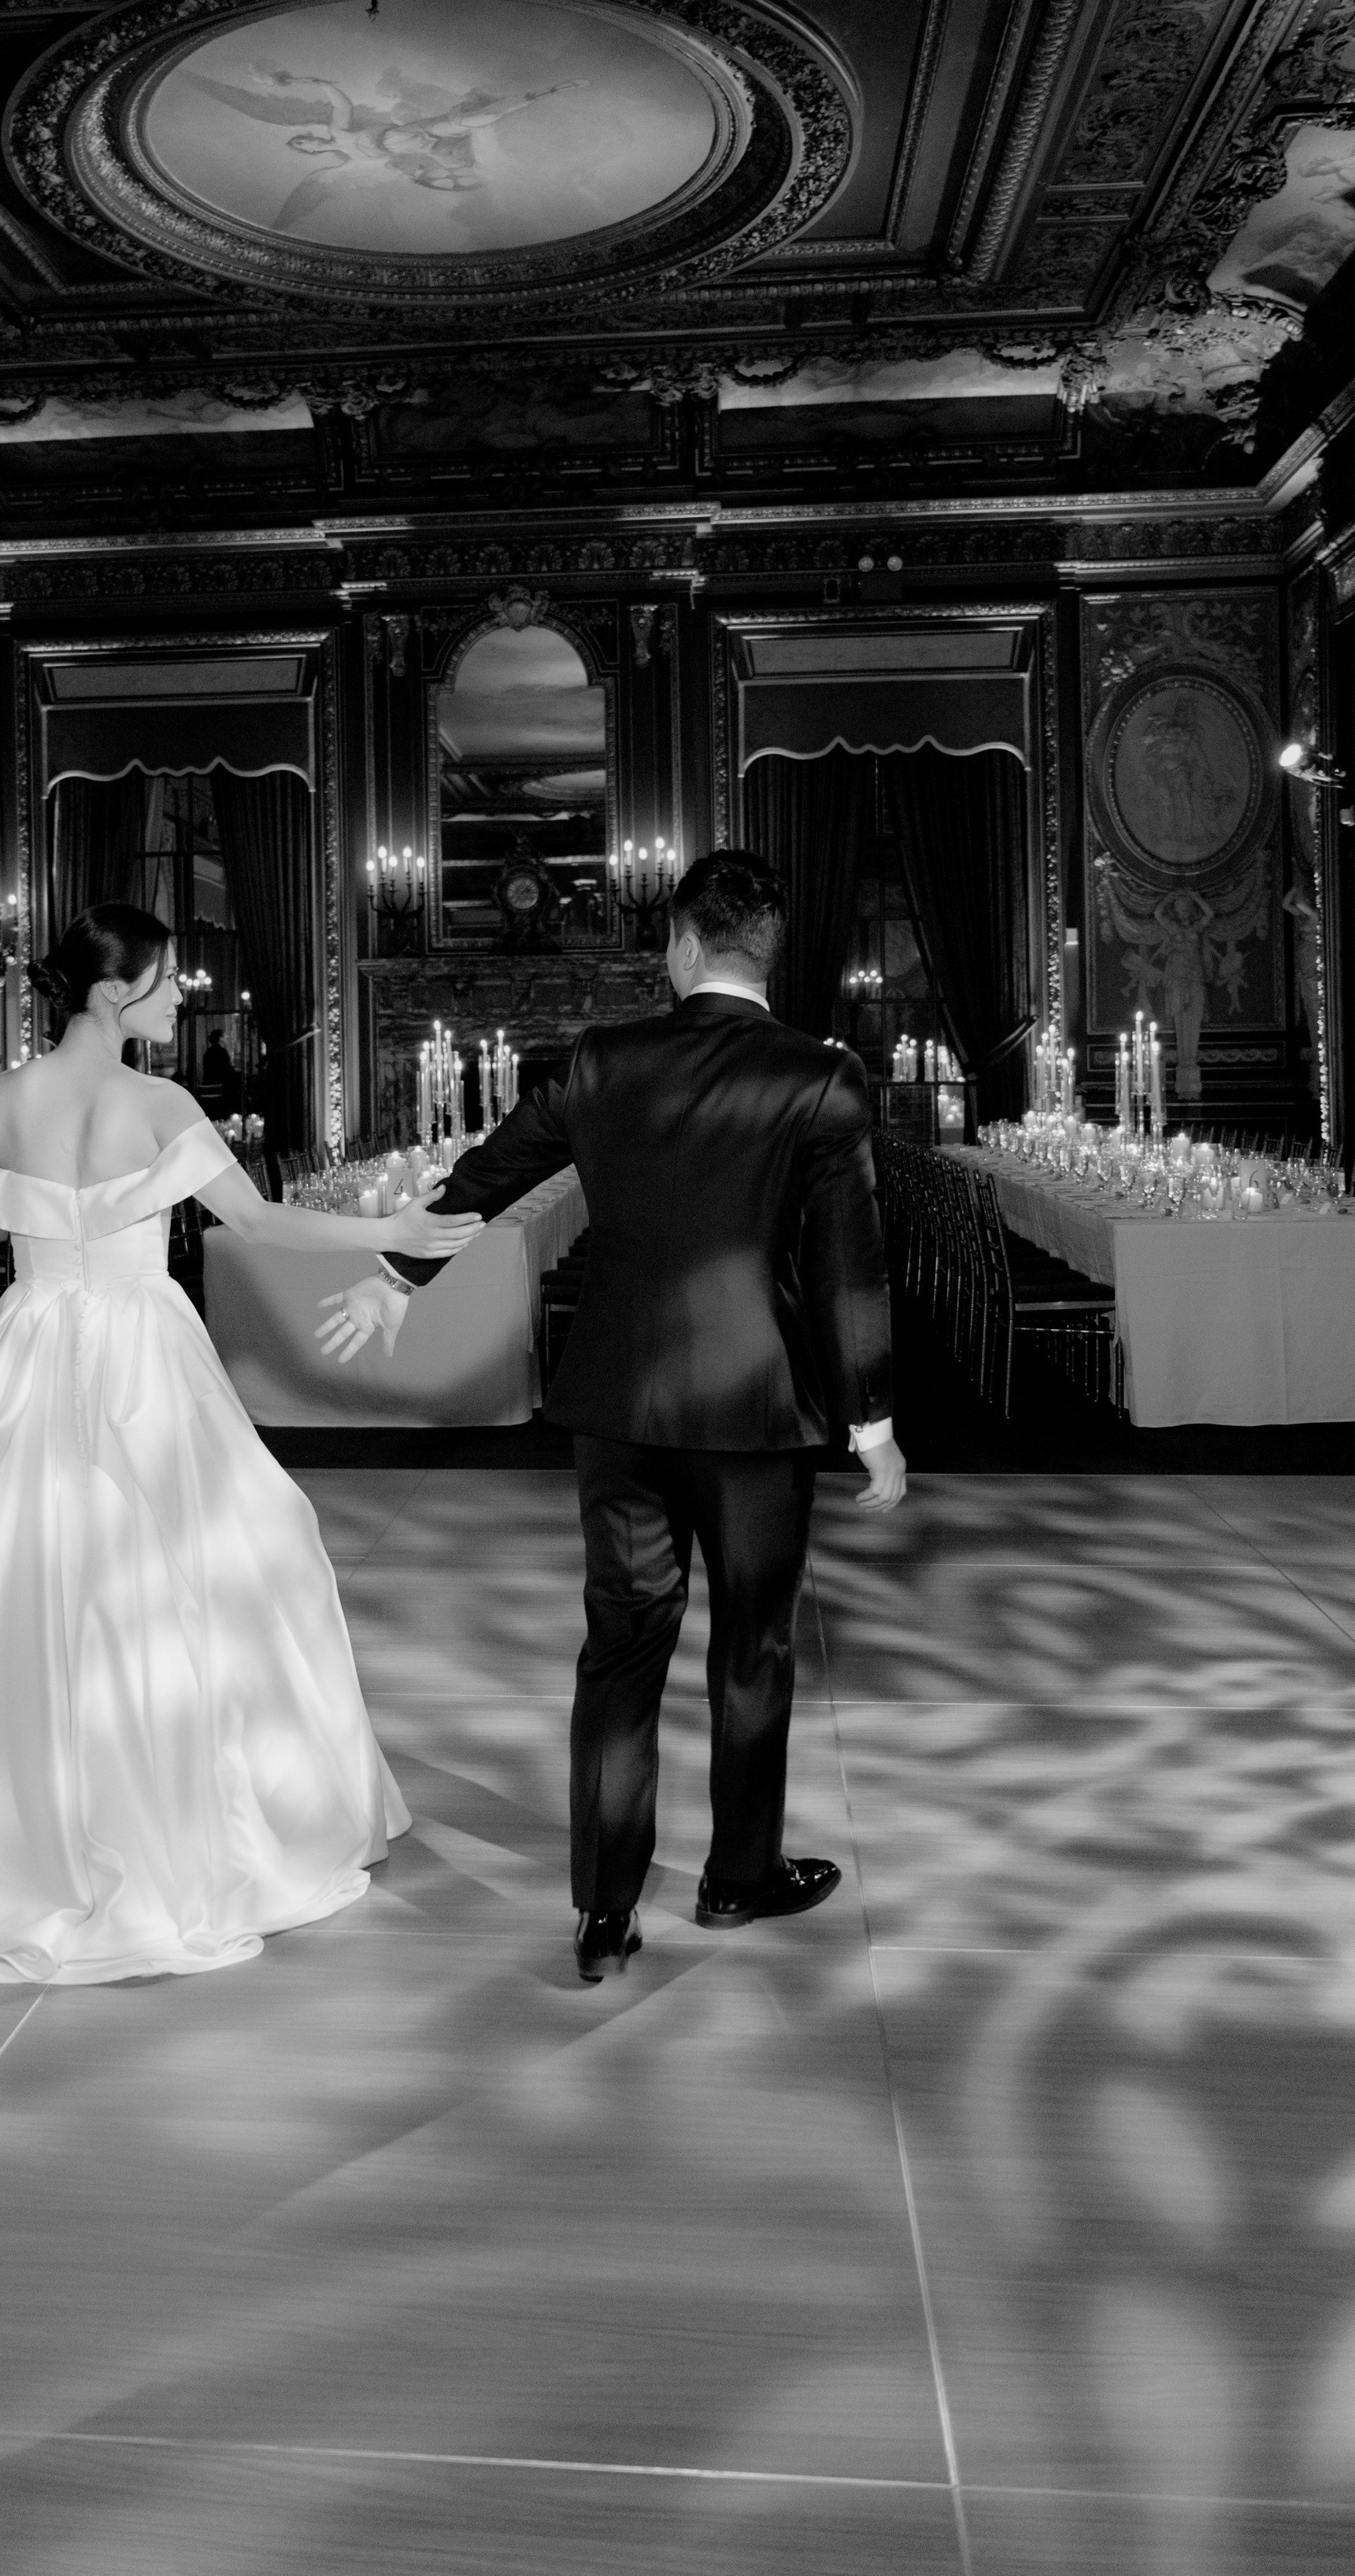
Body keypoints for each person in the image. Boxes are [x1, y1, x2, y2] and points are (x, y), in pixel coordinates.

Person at [0, 903, 479, 1985]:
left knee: (0, 1592)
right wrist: (391, 1233)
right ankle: (179, 1821)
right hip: (143, 1355)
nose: (178, 1001)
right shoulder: (157, 1102)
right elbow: (254, 1225)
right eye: (166, 984)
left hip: (25, 1351)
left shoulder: (0, 1099)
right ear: (115, 994)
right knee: (190, 1576)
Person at [317, 848, 905, 1983]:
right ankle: (738, 1878)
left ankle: (602, 1913)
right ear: (767, 953)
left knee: (622, 1648)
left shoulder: (601, 1062)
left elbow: (488, 1176)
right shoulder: (818, 1079)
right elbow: (850, 1265)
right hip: (757, 1403)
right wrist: (870, 1421)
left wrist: (395, 1278)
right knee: (754, 1644)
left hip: (621, 1404)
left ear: (682, 945)